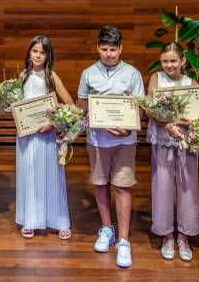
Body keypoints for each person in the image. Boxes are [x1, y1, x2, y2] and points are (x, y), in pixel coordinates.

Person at [75, 26, 144, 268]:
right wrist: (72, 118)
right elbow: (81, 102)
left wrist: (128, 128)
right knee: (101, 183)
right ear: (98, 48)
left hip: (124, 140)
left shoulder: (133, 74)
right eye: (104, 49)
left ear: (121, 48)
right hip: (96, 140)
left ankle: (124, 240)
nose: (108, 54)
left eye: (113, 49)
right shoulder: (88, 73)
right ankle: (107, 229)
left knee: (122, 187)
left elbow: (139, 107)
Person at [146, 42, 199, 262]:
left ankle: (184, 235)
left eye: (173, 61)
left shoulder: (192, 83)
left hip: (186, 141)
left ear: (183, 61)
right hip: (162, 138)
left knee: (187, 188)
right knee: (162, 186)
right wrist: (167, 125)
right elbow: (151, 108)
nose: (169, 65)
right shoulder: (155, 79)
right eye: (165, 61)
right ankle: (167, 235)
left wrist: (194, 121)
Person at [15, 35, 74, 239]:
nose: (38, 55)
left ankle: (59, 220)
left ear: (48, 56)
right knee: (29, 174)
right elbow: (16, 104)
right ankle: (29, 219)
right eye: (35, 51)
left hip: (47, 136)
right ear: (29, 53)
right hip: (26, 135)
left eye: (42, 52)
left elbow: (69, 104)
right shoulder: (22, 76)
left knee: (51, 175)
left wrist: (54, 123)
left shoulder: (52, 77)